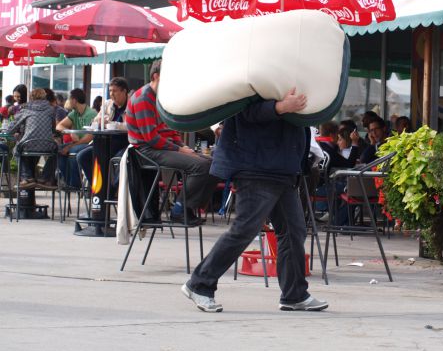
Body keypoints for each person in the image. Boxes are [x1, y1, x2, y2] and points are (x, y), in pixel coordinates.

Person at [182, 87, 328, 313]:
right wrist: (280, 107)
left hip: (281, 165)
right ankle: (199, 284)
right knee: (244, 229)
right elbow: (243, 109)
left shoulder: (285, 72)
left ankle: (295, 294)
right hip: (257, 165)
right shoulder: (256, 71)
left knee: (293, 230)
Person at [125, 59, 218, 225]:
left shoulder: (159, 97)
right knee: (202, 166)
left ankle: (186, 208)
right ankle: (180, 209)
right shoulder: (143, 98)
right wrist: (180, 150)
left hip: (157, 148)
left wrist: (182, 146)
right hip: (145, 151)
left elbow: (168, 130)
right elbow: (151, 138)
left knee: (215, 165)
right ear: (156, 76)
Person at [77, 77, 130, 185]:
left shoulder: (131, 104)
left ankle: (111, 191)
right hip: (105, 143)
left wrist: (113, 124)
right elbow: (94, 121)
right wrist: (99, 120)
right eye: (110, 90)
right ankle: (98, 188)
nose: (111, 94)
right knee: (82, 156)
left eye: (114, 91)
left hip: (124, 144)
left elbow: (130, 126)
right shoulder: (107, 104)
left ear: (124, 91)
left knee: (119, 161)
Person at [6, 88, 57, 189]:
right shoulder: (51, 110)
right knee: (57, 151)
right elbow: (53, 129)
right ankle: (45, 178)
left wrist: (12, 128)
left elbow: (10, 130)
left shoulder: (25, 109)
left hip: (28, 144)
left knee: (16, 149)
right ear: (44, 97)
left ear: (31, 97)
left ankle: (27, 177)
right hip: (47, 145)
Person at [56, 88, 97, 188]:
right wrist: (70, 133)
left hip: (90, 144)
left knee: (73, 152)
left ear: (74, 100)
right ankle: (68, 181)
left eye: (69, 99)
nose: (68, 101)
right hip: (79, 143)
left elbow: (89, 138)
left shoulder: (91, 113)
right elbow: (59, 126)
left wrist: (70, 146)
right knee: (58, 151)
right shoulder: (74, 113)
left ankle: (75, 185)